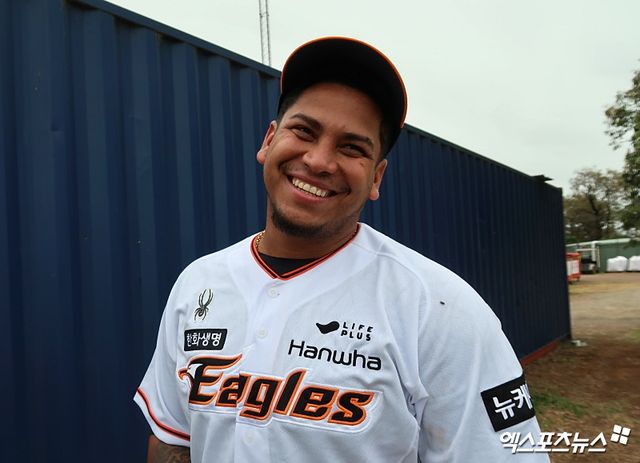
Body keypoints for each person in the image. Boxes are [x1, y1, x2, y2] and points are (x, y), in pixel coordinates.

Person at [135, 37, 549, 462]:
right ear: (269, 140)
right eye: (304, 131)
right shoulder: (198, 284)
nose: (319, 161)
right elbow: (172, 436)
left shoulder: (440, 308)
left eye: (352, 147)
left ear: (376, 178)